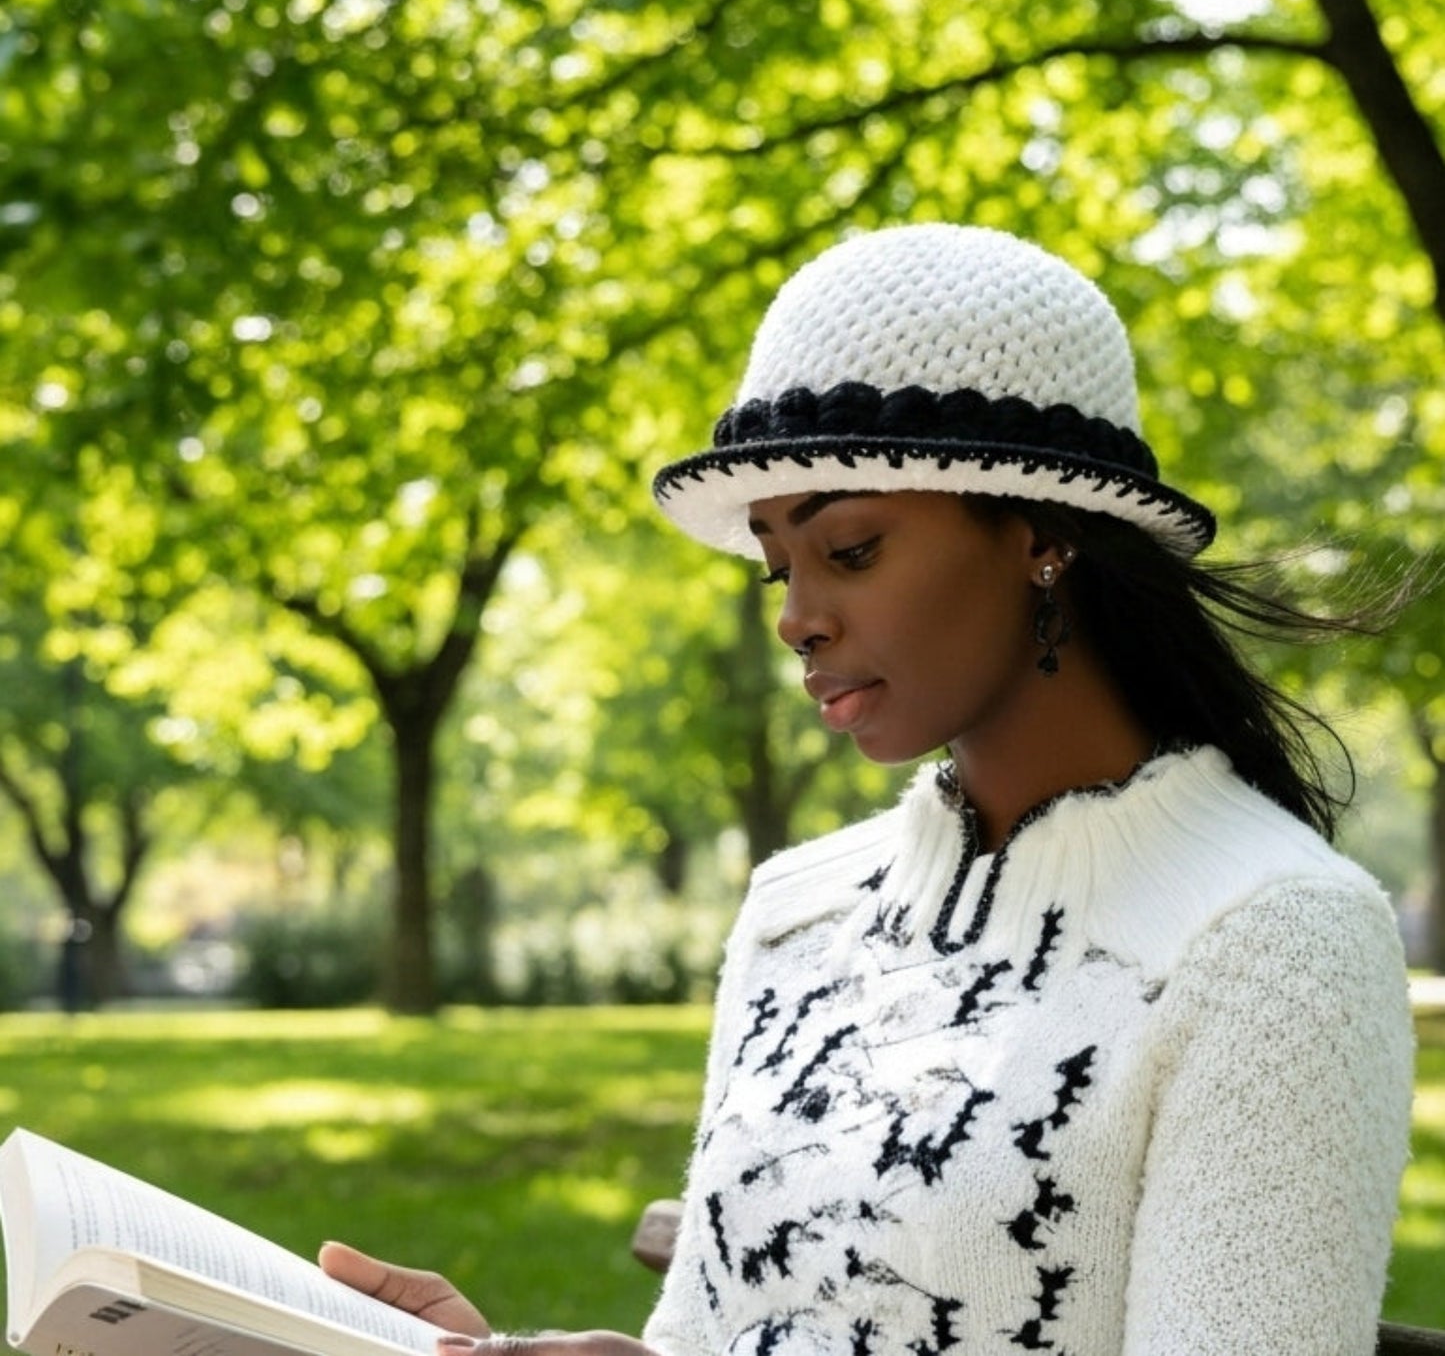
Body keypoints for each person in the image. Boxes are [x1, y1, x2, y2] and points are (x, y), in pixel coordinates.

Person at [320, 224, 1415, 1355]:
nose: (795, 617)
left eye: (847, 549)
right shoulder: (797, 913)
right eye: (775, 565)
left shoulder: (1270, 939)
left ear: (1040, 534)